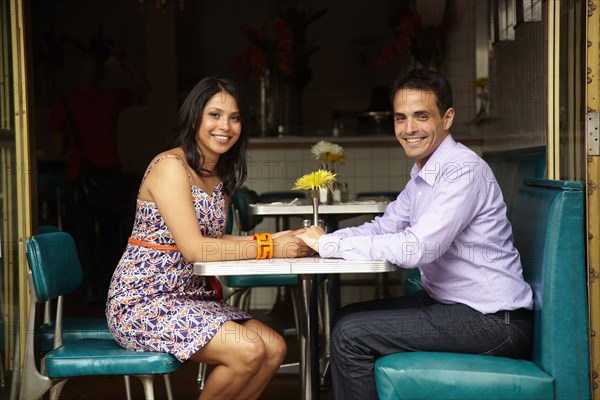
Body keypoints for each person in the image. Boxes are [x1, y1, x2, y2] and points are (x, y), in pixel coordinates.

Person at [297, 69, 534, 400]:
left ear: (447, 118)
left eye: (421, 116)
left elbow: (418, 249)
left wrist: (329, 244)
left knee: (351, 334)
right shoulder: (424, 173)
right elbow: (385, 226)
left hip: (495, 322)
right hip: (452, 305)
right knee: (346, 317)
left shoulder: (463, 171)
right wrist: (320, 240)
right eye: (400, 118)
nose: (408, 129)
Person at [105, 77, 313, 400]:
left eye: (234, 117)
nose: (225, 126)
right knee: (247, 351)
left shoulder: (218, 175)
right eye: (214, 115)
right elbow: (195, 248)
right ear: (194, 118)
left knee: (274, 348)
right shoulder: (170, 166)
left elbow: (216, 238)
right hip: (144, 302)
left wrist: (276, 237)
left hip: (190, 299)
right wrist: (269, 247)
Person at [49, 41, 149, 303]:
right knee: (108, 237)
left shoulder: (64, 103)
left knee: (82, 238)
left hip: (78, 178)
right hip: (108, 177)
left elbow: (58, 148)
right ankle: (107, 290)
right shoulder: (110, 98)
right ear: (101, 75)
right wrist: (124, 60)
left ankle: (88, 290)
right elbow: (143, 88)